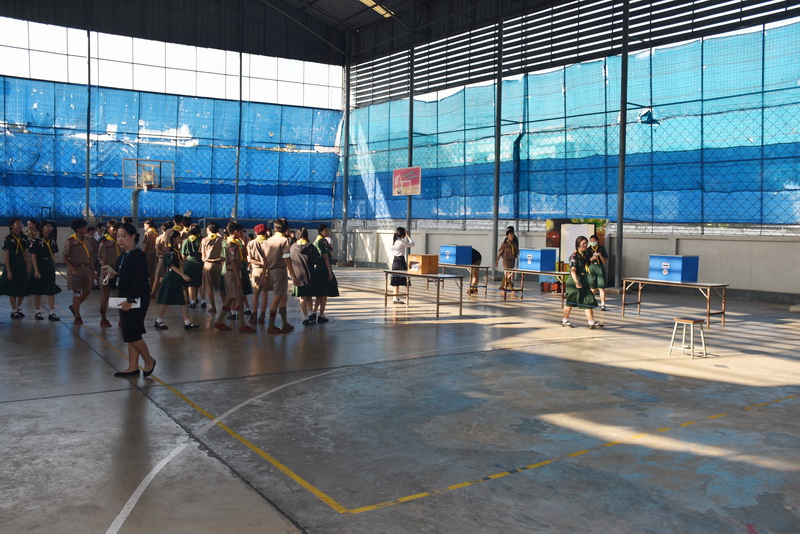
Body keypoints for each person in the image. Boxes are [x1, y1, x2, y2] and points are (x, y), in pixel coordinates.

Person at [109, 223, 156, 378]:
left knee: (132, 333)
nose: (120, 240)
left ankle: (149, 360)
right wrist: (111, 276)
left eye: (124, 236)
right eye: (118, 236)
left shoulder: (138, 256)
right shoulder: (124, 255)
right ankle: (133, 367)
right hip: (125, 296)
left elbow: (139, 281)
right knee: (131, 332)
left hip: (136, 298)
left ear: (133, 237)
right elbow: (121, 277)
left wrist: (130, 300)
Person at [154, 229, 199, 331]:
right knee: (165, 300)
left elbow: (177, 262)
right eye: (178, 238)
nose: (180, 240)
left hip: (176, 277)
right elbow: (171, 265)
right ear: (173, 239)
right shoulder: (169, 251)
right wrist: (183, 275)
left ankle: (186, 322)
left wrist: (181, 264)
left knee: (181, 300)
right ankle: (159, 320)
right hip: (171, 277)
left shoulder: (175, 250)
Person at [214, 222, 255, 333]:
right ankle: (241, 325)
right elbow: (233, 262)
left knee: (232, 298)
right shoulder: (232, 245)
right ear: (236, 232)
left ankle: (220, 321)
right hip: (233, 273)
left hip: (232, 272)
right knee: (238, 297)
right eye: (240, 232)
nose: (241, 234)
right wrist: (238, 278)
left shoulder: (230, 243)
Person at [562, 236, 603, 329]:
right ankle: (564, 320)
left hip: (584, 280)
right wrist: (576, 281)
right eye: (583, 243)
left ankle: (591, 322)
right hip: (574, 281)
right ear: (578, 244)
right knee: (570, 301)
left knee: (588, 300)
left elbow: (586, 263)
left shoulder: (584, 255)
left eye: (586, 243)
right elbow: (573, 270)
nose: (585, 245)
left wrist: (594, 257)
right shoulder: (574, 256)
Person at [263, 219, 296, 334]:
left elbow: (265, 258)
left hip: (271, 271)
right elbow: (287, 258)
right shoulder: (284, 241)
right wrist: (293, 274)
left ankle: (285, 323)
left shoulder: (268, 240)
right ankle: (271, 325)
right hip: (280, 271)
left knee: (283, 297)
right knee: (277, 298)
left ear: (275, 228)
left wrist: (264, 273)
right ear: (286, 229)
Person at [26, 220, 61, 321]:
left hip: (49, 264)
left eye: (51, 227)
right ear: (42, 228)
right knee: (38, 289)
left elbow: (53, 253)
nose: (50, 228)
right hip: (40, 264)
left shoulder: (52, 240)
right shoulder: (36, 241)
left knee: (51, 288)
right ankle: (38, 311)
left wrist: (53, 265)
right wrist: (36, 270)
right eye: (47, 226)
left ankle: (52, 312)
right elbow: (33, 255)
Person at [63, 219, 94, 325]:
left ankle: (74, 307)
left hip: (86, 268)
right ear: (78, 229)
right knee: (76, 292)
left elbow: (90, 256)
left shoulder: (87, 240)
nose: (86, 229)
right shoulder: (70, 241)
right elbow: (64, 257)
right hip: (76, 269)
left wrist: (93, 270)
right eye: (84, 227)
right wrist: (72, 269)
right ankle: (77, 315)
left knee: (87, 290)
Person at [289, 228, 322, 325]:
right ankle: (311, 313)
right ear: (307, 235)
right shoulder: (310, 247)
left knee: (302, 297)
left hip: (298, 276)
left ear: (298, 235)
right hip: (309, 275)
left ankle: (305, 317)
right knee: (309, 296)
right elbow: (318, 260)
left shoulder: (293, 247)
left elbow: (289, 260)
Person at [0, 218, 30, 318]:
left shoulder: (24, 238)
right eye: (17, 224)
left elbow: (27, 254)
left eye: (21, 224)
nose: (20, 225)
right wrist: (8, 270)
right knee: (13, 287)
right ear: (12, 226)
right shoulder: (8, 238)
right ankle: (13, 310)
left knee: (22, 286)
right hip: (12, 262)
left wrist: (28, 267)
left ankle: (18, 307)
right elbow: (7, 255)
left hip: (21, 262)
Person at [312, 223, 338, 322]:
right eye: (326, 230)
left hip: (317, 269)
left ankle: (314, 312)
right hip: (323, 269)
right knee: (324, 293)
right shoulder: (323, 241)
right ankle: (321, 315)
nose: (328, 232)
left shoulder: (315, 241)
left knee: (319, 293)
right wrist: (329, 271)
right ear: (321, 231)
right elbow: (325, 257)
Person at [98, 220, 121, 327]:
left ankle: (122, 318)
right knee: (105, 295)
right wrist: (109, 272)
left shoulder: (120, 241)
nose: (116, 232)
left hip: (119, 270)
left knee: (121, 294)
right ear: (108, 229)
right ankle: (103, 318)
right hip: (108, 270)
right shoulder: (105, 243)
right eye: (114, 229)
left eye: (117, 229)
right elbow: (102, 259)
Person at [246, 223, 269, 325]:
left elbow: (250, 259)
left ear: (256, 233)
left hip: (256, 270)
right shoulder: (268, 243)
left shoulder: (251, 243)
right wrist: (264, 264)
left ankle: (254, 315)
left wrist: (259, 262)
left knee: (255, 294)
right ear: (266, 232)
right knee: (265, 294)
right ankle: (262, 316)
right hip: (267, 271)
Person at [201, 221, 223, 314]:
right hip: (218, 264)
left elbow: (203, 255)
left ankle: (213, 307)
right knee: (221, 287)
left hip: (208, 264)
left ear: (209, 229)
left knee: (209, 287)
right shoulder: (221, 239)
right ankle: (226, 306)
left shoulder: (204, 240)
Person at [180, 223, 203, 308]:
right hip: (199, 261)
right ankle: (202, 301)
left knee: (190, 283)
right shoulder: (201, 240)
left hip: (189, 262)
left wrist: (183, 263)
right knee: (200, 282)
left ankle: (192, 301)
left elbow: (183, 254)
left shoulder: (186, 241)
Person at [389, 227, 414, 304]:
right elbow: (412, 244)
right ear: (403, 234)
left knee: (396, 281)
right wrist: (408, 236)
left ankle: (395, 298)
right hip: (400, 261)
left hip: (395, 261)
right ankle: (401, 297)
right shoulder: (401, 242)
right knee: (405, 279)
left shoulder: (394, 241)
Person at [587, 234, 609, 311]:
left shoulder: (601, 249)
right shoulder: (588, 249)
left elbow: (605, 261)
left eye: (594, 241)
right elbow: (586, 261)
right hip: (591, 267)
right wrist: (592, 258)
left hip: (599, 267)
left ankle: (603, 304)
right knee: (592, 287)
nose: (593, 242)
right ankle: (591, 302)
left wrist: (600, 255)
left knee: (601, 287)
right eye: (591, 241)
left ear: (597, 241)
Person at [141, 219, 158, 284]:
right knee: (152, 272)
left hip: (148, 255)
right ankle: (152, 286)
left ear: (148, 225)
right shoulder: (156, 232)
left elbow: (145, 246)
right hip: (155, 254)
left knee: (145, 271)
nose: (144, 227)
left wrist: (142, 254)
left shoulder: (148, 233)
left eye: (144, 225)